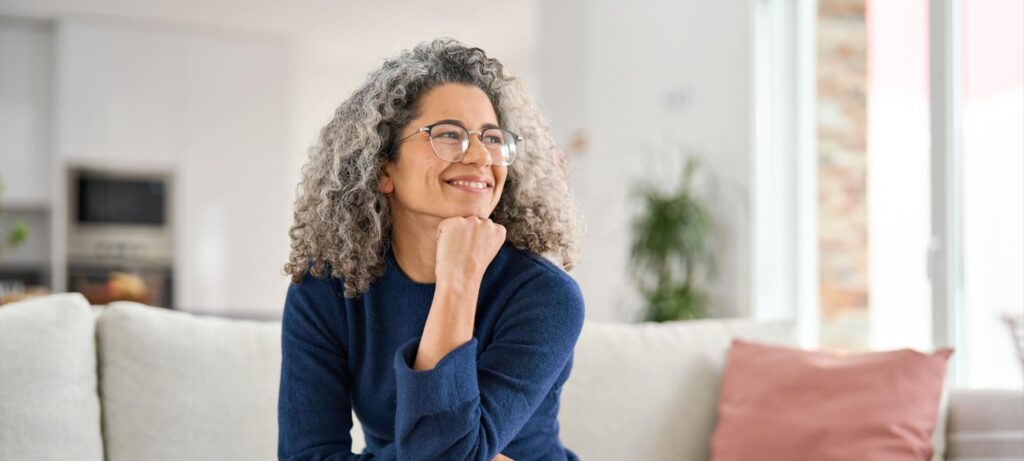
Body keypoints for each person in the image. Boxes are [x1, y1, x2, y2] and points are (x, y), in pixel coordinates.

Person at [277, 37, 585, 461]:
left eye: (492, 138)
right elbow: (305, 455)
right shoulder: (325, 288)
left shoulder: (545, 297)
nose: (480, 156)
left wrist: (458, 281)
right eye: (449, 134)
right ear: (383, 167)